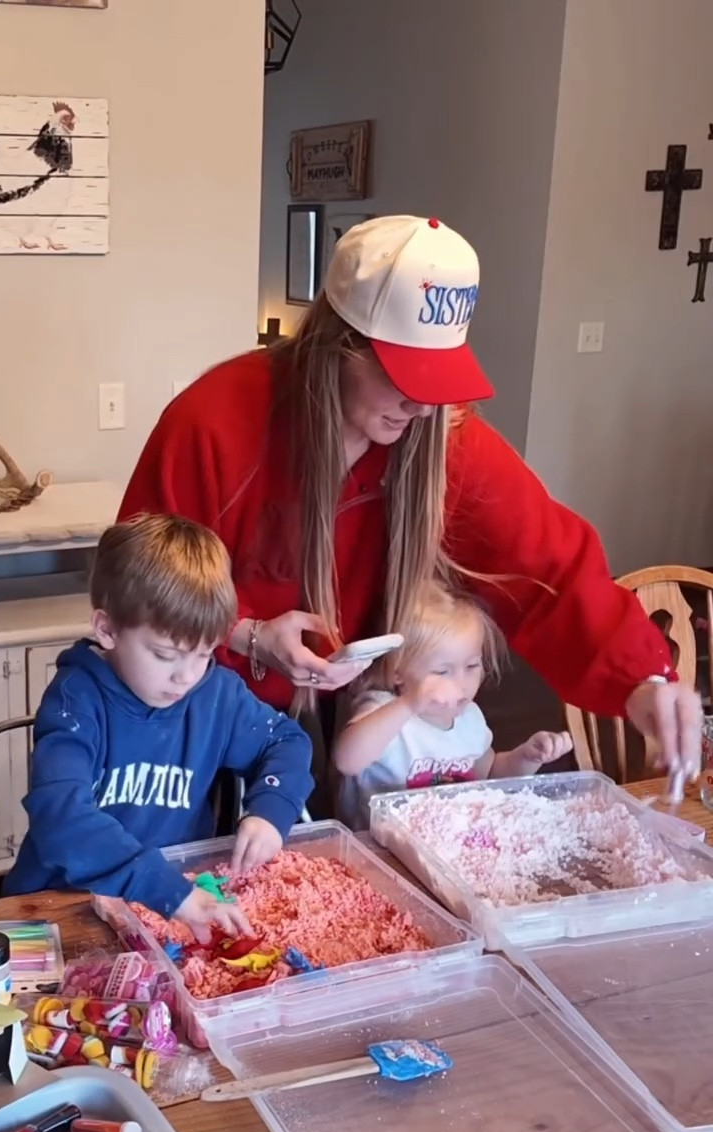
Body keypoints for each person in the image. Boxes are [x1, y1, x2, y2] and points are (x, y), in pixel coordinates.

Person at [118, 214, 701, 779]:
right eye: (405, 378)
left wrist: (642, 681)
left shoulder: (447, 440)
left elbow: (552, 571)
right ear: (337, 346)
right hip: (199, 720)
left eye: (439, 382)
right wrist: (245, 634)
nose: (423, 406)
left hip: (357, 736)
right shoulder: (213, 423)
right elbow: (140, 594)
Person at [4, 514, 314, 942]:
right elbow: (62, 815)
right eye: (166, 655)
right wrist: (169, 892)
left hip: (172, 906)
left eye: (204, 653)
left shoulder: (214, 694)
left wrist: (270, 812)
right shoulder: (76, 700)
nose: (186, 676)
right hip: (62, 906)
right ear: (107, 629)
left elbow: (286, 741)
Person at [334, 584, 572, 828]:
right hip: (376, 850)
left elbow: (488, 776)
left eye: (472, 666)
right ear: (397, 673)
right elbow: (346, 761)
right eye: (442, 671)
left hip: (444, 845)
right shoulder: (384, 709)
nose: (461, 683)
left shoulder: (469, 718)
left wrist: (527, 756)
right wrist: (410, 703)